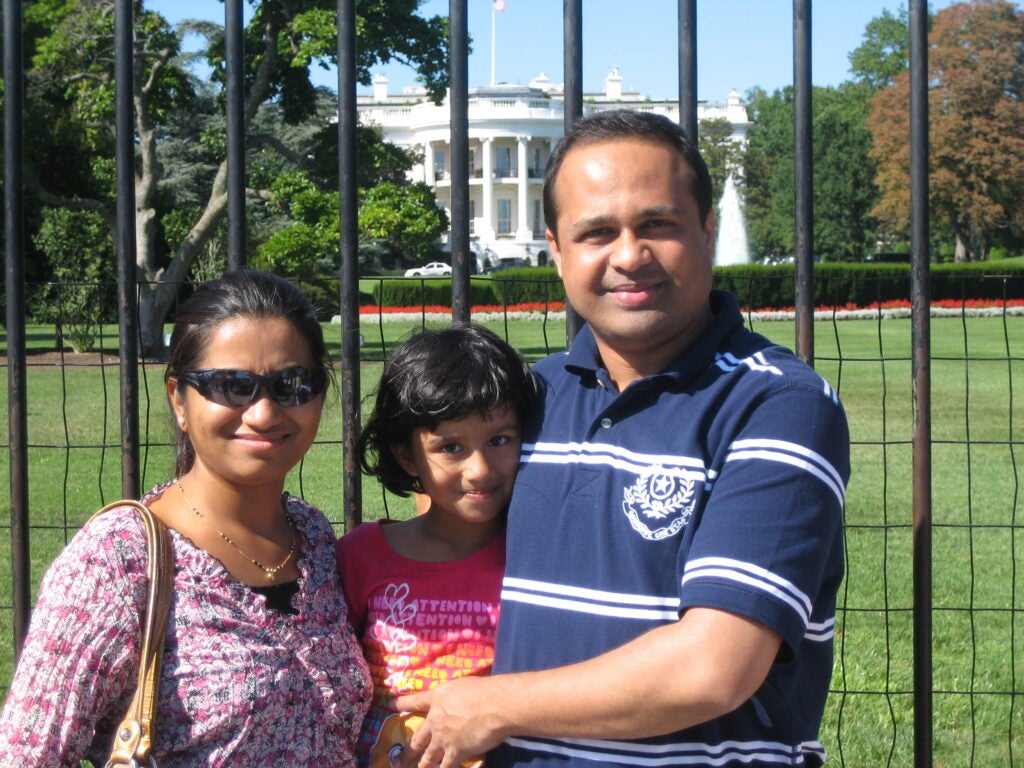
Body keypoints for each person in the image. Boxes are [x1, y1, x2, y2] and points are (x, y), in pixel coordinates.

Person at [393, 110, 850, 768]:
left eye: (657, 225)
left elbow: (714, 668)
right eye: (597, 232)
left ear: (708, 231)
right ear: (556, 250)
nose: (630, 256)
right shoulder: (524, 404)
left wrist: (493, 705)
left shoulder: (776, 404)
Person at [0, 270, 372, 766]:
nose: (264, 412)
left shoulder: (313, 538)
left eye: (293, 384)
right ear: (179, 398)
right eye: (233, 386)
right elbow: (28, 754)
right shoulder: (119, 560)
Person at [336, 324, 538, 768]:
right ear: (407, 455)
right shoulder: (359, 557)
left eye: (499, 440)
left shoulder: (538, 558)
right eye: (451, 447)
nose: (479, 469)